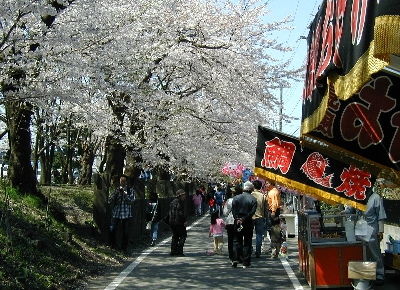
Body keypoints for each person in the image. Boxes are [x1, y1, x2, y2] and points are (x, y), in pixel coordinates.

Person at [364, 179, 387, 286]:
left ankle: (379, 274)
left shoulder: (376, 197)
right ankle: (365, 274)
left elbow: (381, 215)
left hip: (372, 228)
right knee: (363, 252)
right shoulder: (359, 197)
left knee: (374, 252)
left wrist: (381, 231)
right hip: (360, 228)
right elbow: (351, 210)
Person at [231, 181, 257, 268]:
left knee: (236, 241)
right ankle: (246, 262)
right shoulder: (253, 199)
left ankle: (235, 259)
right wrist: (244, 219)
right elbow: (252, 212)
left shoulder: (236, 198)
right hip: (248, 222)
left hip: (238, 222)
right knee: (247, 242)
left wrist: (237, 219)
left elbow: (233, 210)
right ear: (251, 189)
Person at [108, 175, 135, 250]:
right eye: (121, 182)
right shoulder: (116, 190)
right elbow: (110, 200)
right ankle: (112, 245)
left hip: (126, 213)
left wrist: (125, 194)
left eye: (123, 181)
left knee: (125, 232)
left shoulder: (130, 191)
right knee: (112, 229)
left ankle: (124, 247)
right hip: (116, 212)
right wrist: (116, 194)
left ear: (126, 182)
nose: (122, 183)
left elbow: (131, 201)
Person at [224, 186, 241, 261]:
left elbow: (225, 213)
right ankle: (238, 255)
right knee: (238, 239)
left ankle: (231, 256)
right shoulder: (241, 200)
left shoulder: (229, 201)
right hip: (239, 222)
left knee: (230, 239)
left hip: (230, 222)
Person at [251, 180, 268, 258]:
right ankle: (258, 252)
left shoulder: (251, 195)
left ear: (253, 186)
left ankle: (249, 249)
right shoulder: (263, 196)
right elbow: (266, 209)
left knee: (249, 234)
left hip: (251, 217)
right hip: (260, 217)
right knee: (259, 235)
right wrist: (265, 217)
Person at [169, 189, 188, 256]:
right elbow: (180, 213)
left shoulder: (172, 202)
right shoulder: (179, 203)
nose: (184, 196)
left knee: (175, 236)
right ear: (180, 195)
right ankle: (179, 251)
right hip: (178, 222)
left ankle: (173, 251)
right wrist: (184, 221)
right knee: (183, 235)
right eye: (183, 195)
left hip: (172, 222)